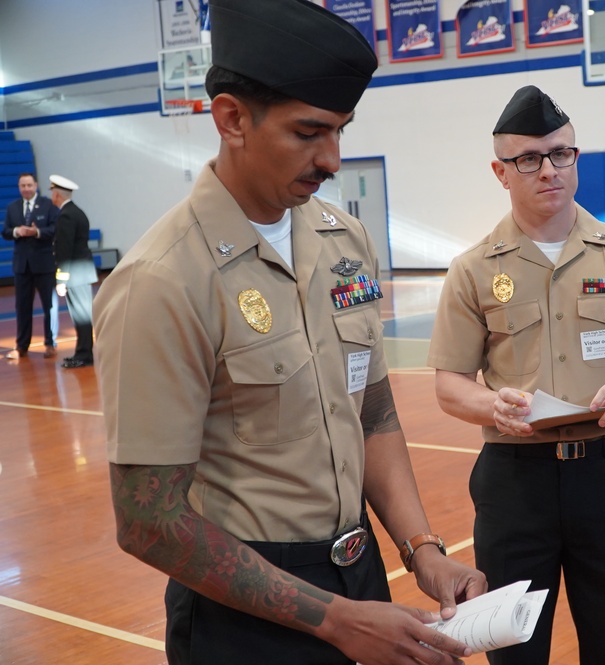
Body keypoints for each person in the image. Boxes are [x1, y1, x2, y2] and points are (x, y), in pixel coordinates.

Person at [92, 1, 485, 663]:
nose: (332, 159)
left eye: (341, 130)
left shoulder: (343, 240)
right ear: (231, 118)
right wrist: (335, 619)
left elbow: (374, 411)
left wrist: (422, 551)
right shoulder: (162, 280)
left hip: (358, 582)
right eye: (308, 132)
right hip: (242, 618)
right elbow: (147, 520)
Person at [427, 85, 605, 665]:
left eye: (561, 154)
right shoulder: (473, 269)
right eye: (529, 159)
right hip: (513, 484)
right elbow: (450, 383)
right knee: (513, 650)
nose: (548, 169)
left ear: (576, 158)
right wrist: (489, 405)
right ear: (500, 172)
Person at [2, 173, 60, 360]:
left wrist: (37, 232)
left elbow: (55, 229)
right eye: (22, 185)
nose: (26, 188)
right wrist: (17, 231)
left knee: (48, 306)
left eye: (29, 185)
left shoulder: (48, 205)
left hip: (44, 265)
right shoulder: (12, 208)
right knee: (22, 307)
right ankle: (21, 345)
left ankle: (50, 343)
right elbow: (6, 232)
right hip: (22, 266)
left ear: (36, 185)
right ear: (19, 187)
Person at [50, 175, 97, 369]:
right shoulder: (77, 212)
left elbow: (65, 249)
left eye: (53, 192)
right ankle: (82, 352)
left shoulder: (66, 215)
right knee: (82, 314)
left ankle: (84, 354)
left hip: (75, 273)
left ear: (57, 195)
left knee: (81, 315)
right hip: (81, 271)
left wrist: (61, 279)